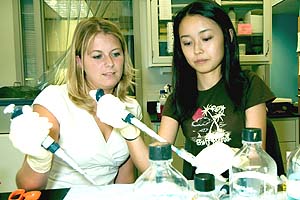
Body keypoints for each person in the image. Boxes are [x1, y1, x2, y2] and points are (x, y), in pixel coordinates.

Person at [103, 0, 274, 180]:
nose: (197, 50)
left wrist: (230, 155)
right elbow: (153, 168)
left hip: (242, 189)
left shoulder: (249, 84)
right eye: (187, 43)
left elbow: (256, 155)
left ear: (228, 36)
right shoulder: (178, 98)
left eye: (206, 38)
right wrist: (130, 133)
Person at [8, 17, 142, 190]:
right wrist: (38, 159)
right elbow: (27, 185)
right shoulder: (54, 100)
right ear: (79, 61)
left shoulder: (130, 107)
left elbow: (125, 176)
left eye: (116, 54)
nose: (109, 63)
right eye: (97, 56)